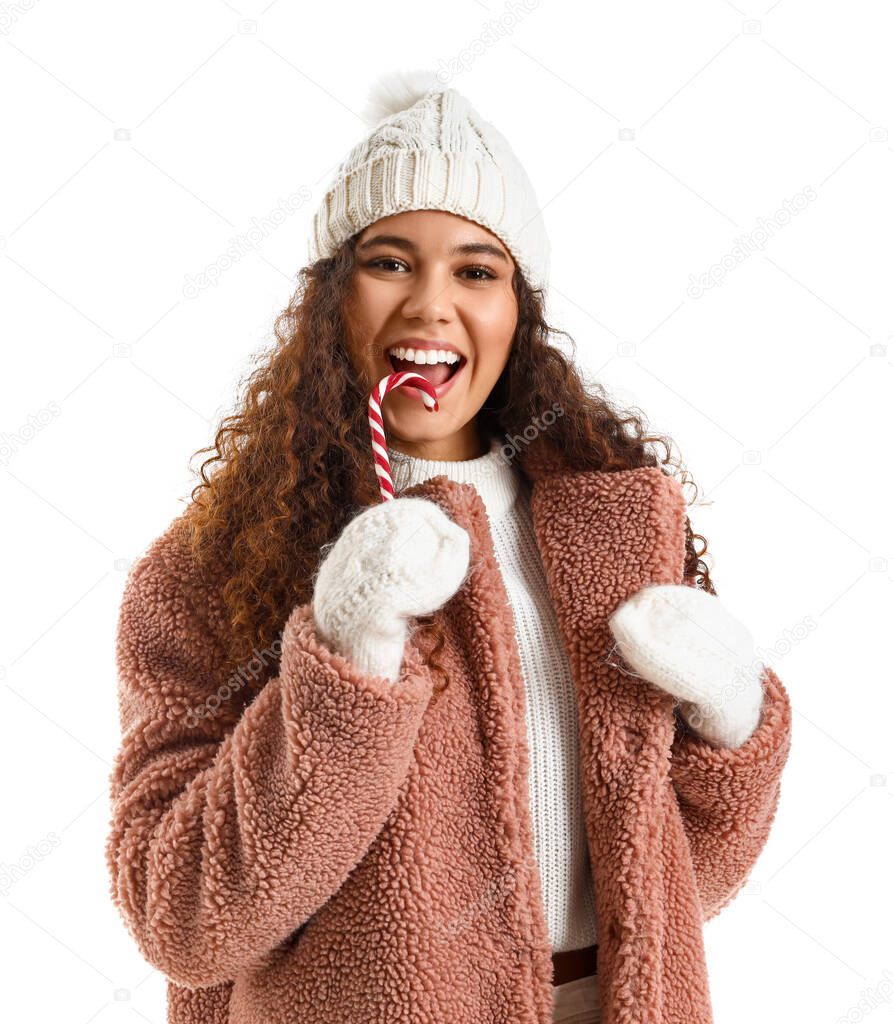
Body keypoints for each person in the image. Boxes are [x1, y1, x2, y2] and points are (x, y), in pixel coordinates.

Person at [105, 70, 792, 1024]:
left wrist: (732, 719)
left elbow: (678, 887)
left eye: (476, 270)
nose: (432, 305)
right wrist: (346, 662)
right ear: (328, 297)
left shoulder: (615, 534)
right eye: (389, 262)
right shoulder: (214, 566)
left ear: (519, 312)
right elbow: (181, 919)